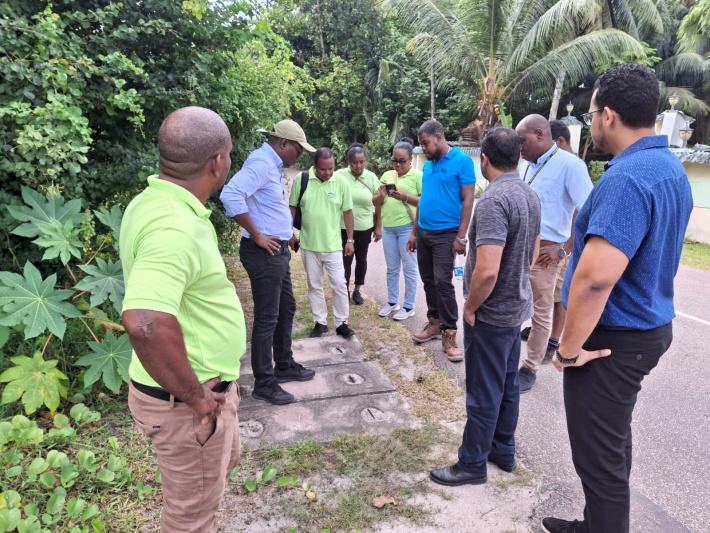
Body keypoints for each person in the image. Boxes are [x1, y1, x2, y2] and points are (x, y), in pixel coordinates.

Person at [542, 64, 693, 533]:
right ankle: (593, 525)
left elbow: (593, 280)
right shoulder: (668, 168)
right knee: (610, 443)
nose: (590, 125)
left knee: (599, 460)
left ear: (608, 115)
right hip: (644, 328)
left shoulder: (628, 178)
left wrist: (567, 350)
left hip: (610, 340)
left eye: (590, 115)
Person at [121, 106, 244, 532]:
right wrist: (197, 399)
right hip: (187, 403)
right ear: (217, 162)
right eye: (229, 153)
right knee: (190, 519)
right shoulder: (174, 225)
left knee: (211, 485)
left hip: (202, 390)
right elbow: (144, 323)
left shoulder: (156, 201)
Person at [429, 127, 540, 486]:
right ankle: (502, 450)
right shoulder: (529, 195)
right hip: (515, 309)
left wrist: (470, 308)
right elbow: (534, 254)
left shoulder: (493, 200)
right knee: (506, 384)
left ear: (484, 159)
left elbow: (488, 269)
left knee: (482, 391)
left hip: (492, 313)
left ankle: (472, 463)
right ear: (519, 157)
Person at [220, 119, 316, 406]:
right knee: (266, 318)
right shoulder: (262, 163)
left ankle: (283, 365)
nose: (299, 157)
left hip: (276, 251)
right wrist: (258, 234)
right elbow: (230, 194)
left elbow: (266, 206)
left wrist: (287, 233)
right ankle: (264, 382)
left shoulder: (270, 164)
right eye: (298, 150)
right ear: (283, 144)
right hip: (263, 253)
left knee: (286, 307)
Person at [515, 114, 592, 393]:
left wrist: (565, 248)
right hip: (521, 248)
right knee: (519, 304)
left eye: (521, 140)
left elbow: (588, 211)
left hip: (547, 253)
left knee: (541, 311)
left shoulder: (571, 165)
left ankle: (530, 367)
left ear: (539, 134)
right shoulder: (524, 164)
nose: (518, 146)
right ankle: (511, 357)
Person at [406, 119, 476, 361]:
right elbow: (424, 199)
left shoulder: (462, 161)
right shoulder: (428, 165)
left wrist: (461, 237)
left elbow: (468, 200)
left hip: (447, 233)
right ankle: (434, 323)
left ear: (438, 138)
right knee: (428, 280)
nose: (423, 148)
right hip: (424, 231)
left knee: (443, 283)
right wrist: (415, 232)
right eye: (421, 144)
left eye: (425, 143)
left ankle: (449, 332)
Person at [520, 120, 579, 364]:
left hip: (561, 249)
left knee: (558, 298)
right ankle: (541, 334)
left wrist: (563, 251)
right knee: (544, 298)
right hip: (538, 247)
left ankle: (552, 341)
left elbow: (581, 217)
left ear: (559, 142)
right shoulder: (537, 167)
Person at [289, 147, 356, 339]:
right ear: (314, 166)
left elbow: (348, 212)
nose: (327, 173)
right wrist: (289, 234)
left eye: (331, 169)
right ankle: (320, 322)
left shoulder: (341, 182)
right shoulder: (301, 180)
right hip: (309, 245)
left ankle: (341, 323)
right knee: (314, 286)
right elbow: (292, 208)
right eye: (323, 169)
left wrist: (350, 240)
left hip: (333, 245)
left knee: (339, 285)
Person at [373, 139, 422, 320]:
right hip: (388, 229)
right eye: (395, 160)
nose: (398, 164)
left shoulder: (418, 176)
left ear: (411, 160)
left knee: (409, 268)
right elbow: (376, 202)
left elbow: (424, 202)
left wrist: (406, 197)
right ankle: (393, 302)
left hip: (408, 228)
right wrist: (381, 195)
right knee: (392, 268)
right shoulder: (387, 175)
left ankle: (409, 306)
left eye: (402, 161)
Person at [335, 143, 381, 305]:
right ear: (349, 161)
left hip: (364, 227)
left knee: (362, 258)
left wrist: (378, 226)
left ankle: (357, 290)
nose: (358, 165)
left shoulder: (371, 177)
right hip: (342, 228)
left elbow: (379, 203)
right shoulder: (339, 175)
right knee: (344, 260)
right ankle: (344, 290)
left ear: (365, 161)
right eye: (355, 162)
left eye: (361, 162)